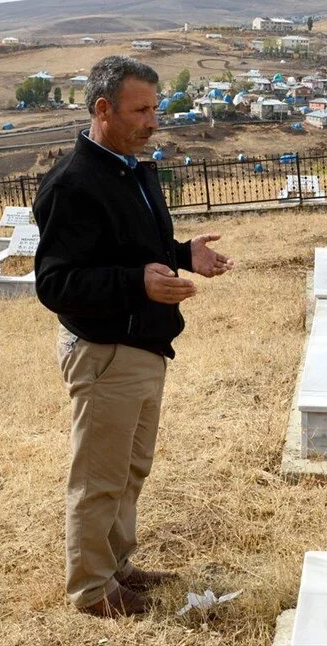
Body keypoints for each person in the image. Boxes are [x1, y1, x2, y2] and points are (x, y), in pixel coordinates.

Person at [33, 55, 233, 618]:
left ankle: (117, 564)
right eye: (141, 110)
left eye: (156, 107)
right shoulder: (73, 184)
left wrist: (179, 255)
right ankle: (92, 590)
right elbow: (56, 283)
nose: (153, 121)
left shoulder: (131, 168)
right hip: (105, 352)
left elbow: (129, 248)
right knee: (99, 477)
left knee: (128, 469)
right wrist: (137, 283)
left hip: (141, 346)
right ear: (103, 110)